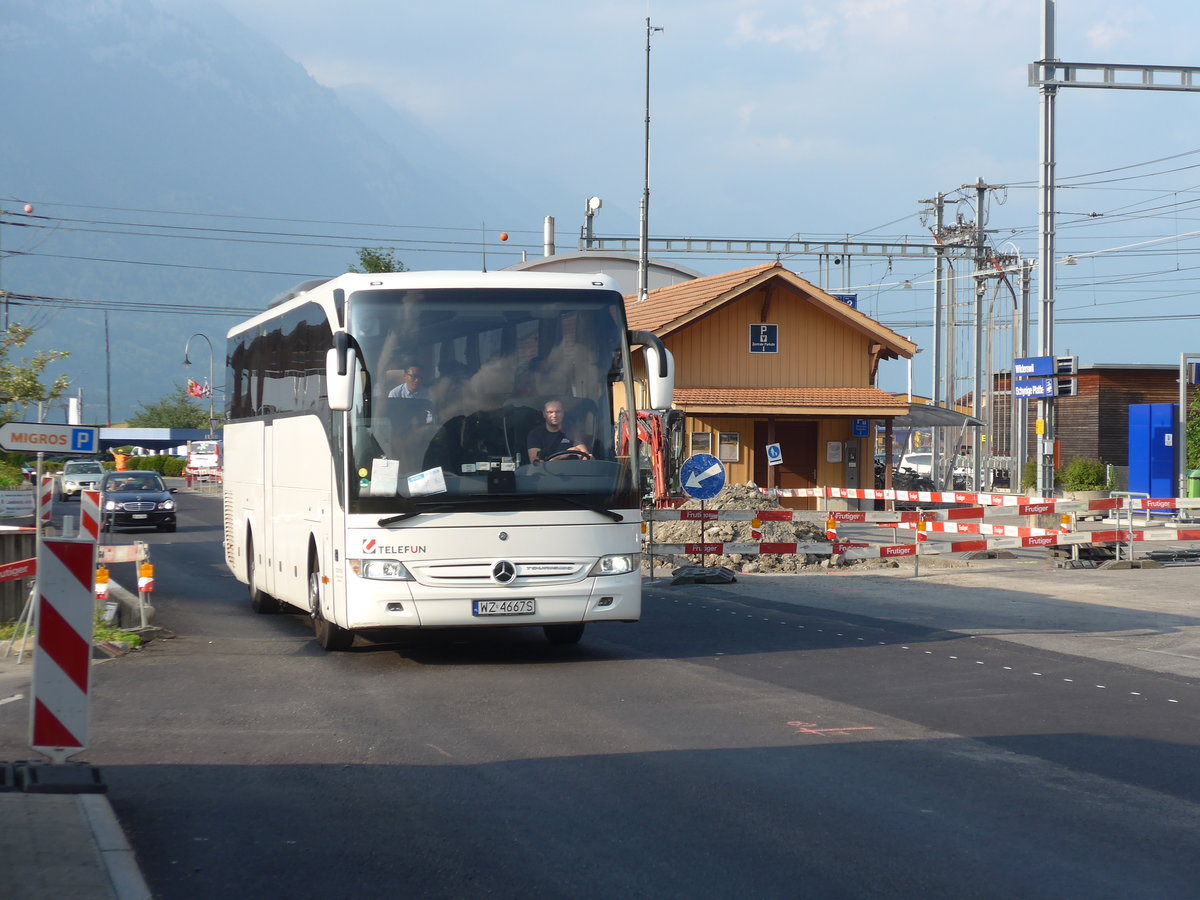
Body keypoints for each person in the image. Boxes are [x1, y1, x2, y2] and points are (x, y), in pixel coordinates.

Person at [527, 399, 591, 463]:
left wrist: (587, 457)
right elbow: (535, 463)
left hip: (572, 470)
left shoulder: (571, 432)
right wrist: (561, 456)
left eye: (558, 412)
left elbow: (585, 453)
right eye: (550, 412)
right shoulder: (535, 435)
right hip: (547, 472)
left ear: (563, 413)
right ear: (544, 414)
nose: (554, 415)